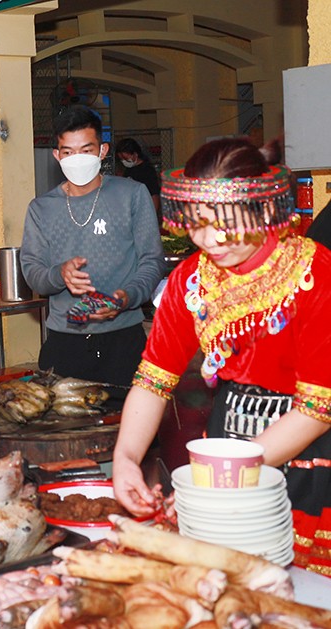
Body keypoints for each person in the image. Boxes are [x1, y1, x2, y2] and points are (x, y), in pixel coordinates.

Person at [112, 138, 331, 576]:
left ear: (264, 210)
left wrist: (220, 476)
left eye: (227, 224)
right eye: (197, 223)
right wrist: (126, 457)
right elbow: (153, 382)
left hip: (307, 459)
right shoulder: (190, 280)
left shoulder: (315, 274)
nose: (210, 240)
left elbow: (317, 408)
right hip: (226, 446)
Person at [21, 106, 165, 399]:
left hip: (123, 341)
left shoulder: (132, 194)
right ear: (57, 155)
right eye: (68, 152)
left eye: (86, 150)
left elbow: (152, 261)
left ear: (102, 151)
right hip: (65, 343)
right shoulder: (41, 208)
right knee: (61, 424)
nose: (77, 159)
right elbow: (34, 274)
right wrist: (59, 274)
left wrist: (126, 297)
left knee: (128, 421)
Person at [116, 138, 162, 221]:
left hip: (144, 211)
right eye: (122, 159)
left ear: (135, 154)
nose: (124, 162)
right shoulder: (128, 170)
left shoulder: (147, 170)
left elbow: (154, 195)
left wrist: (152, 217)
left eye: (126, 159)